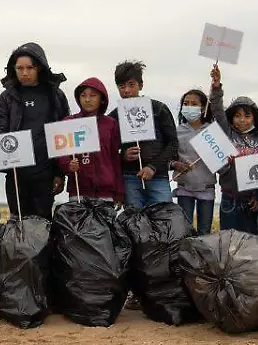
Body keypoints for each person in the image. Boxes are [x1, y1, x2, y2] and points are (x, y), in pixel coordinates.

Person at [0, 42, 70, 220]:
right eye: (19, 68)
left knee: (43, 223)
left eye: (29, 68)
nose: (24, 73)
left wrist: (59, 173)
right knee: (16, 221)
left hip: (45, 172)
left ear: (39, 67)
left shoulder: (55, 95)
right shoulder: (7, 97)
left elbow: (64, 134)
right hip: (16, 172)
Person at [113, 61, 178, 210]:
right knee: (134, 220)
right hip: (130, 177)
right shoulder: (115, 116)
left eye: (131, 85)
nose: (127, 90)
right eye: (122, 87)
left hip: (158, 177)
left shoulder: (159, 109)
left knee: (164, 218)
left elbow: (173, 143)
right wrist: (123, 155)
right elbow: (108, 150)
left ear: (141, 85)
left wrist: (153, 167)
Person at [210, 64, 258, 232]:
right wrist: (216, 86)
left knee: (250, 243)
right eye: (237, 116)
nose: (242, 120)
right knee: (229, 242)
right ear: (231, 118)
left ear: (254, 118)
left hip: (252, 201)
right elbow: (217, 110)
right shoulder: (227, 133)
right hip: (229, 198)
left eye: (247, 116)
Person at [58, 78, 123, 204]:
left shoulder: (111, 124)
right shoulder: (69, 122)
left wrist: (119, 191)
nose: (87, 99)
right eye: (83, 95)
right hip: (78, 192)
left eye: (93, 96)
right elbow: (61, 154)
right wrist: (68, 165)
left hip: (106, 192)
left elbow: (115, 158)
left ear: (102, 99)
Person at [172, 87, 216, 233]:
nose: (189, 106)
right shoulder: (177, 131)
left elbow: (222, 163)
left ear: (203, 108)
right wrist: (175, 165)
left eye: (194, 104)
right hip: (184, 187)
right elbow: (169, 157)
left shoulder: (213, 131)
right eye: (186, 103)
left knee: (205, 232)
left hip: (206, 188)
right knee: (185, 231)